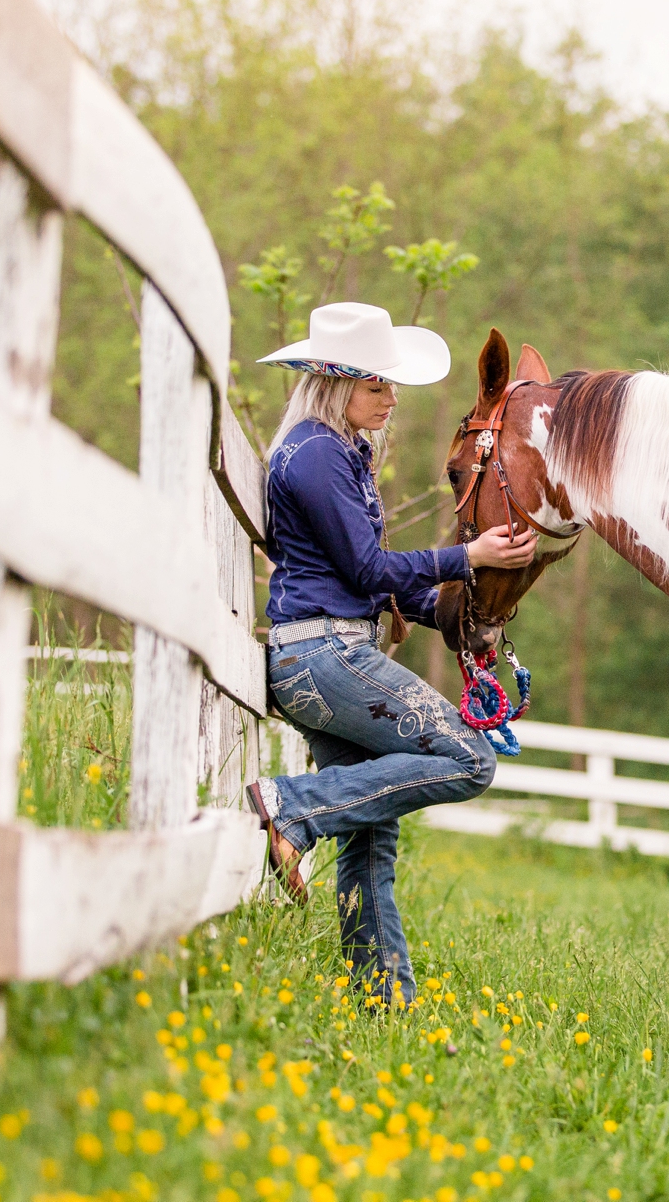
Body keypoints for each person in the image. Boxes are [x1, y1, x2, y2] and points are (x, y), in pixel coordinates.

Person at [244, 301, 536, 1008]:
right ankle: (292, 809)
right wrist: (466, 556)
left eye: (390, 385)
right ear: (337, 383)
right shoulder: (315, 454)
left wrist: (468, 619)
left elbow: (356, 576)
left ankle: (384, 999)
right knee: (471, 759)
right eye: (377, 384)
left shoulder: (335, 450)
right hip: (321, 656)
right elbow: (369, 570)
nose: (391, 397)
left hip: (325, 652)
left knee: (371, 837)